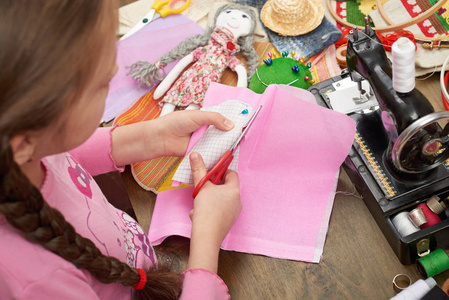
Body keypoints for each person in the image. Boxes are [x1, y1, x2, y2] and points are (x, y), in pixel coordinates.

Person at [0, 1, 241, 299]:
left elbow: (61, 157)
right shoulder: (37, 285)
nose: (115, 69)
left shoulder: (19, 148)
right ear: (22, 141)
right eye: (103, 83)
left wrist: (151, 137)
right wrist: (206, 240)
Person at [127, 4, 258, 116]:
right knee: (170, 102)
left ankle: (179, 121)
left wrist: (240, 96)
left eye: (244, 17)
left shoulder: (229, 55)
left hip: (206, 85)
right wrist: (164, 83)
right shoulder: (204, 48)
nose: (234, 18)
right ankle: (166, 118)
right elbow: (182, 62)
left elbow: (240, 71)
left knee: (193, 109)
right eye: (228, 13)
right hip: (188, 78)